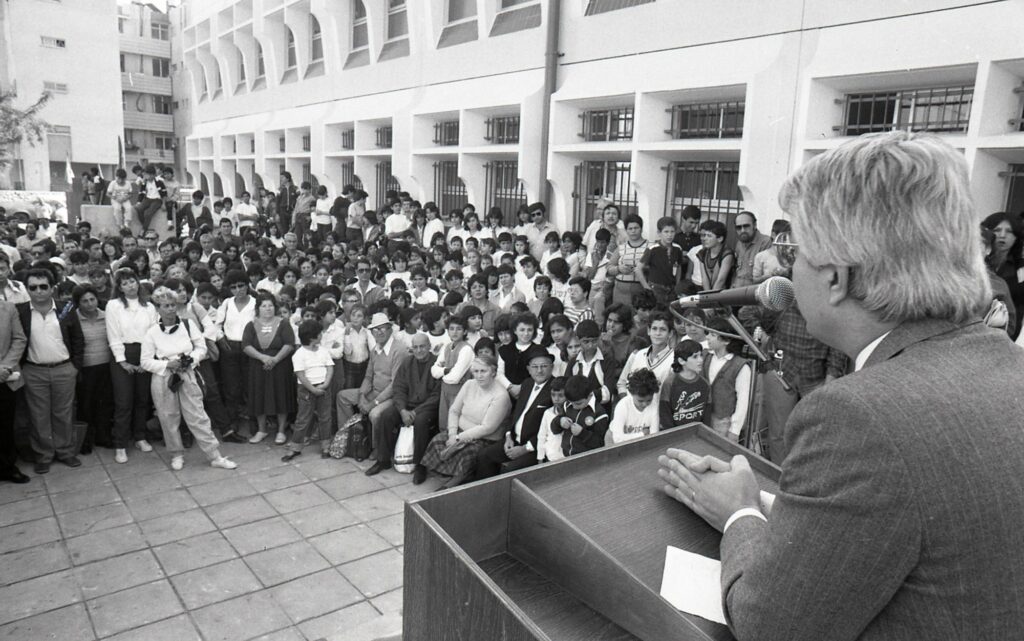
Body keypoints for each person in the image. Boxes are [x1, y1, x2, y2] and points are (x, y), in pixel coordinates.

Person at [658, 131, 1024, 640]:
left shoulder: (858, 417)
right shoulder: (1007, 364)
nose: (788, 270)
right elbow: (913, 517)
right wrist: (771, 504)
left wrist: (739, 514)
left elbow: (771, 626)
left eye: (796, 252)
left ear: (837, 278)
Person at [140, 287, 237, 471]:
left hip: (187, 373)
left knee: (197, 416)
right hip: (164, 378)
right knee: (168, 417)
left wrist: (190, 360)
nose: (170, 309)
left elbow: (201, 347)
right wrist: (167, 365)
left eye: (172, 305)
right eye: (165, 306)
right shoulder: (152, 332)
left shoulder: (187, 324)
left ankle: (214, 455)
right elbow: (145, 361)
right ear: (158, 308)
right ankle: (176, 454)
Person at [17, 268, 85, 474]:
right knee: (39, 415)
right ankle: (43, 455)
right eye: (33, 287)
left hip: (64, 369)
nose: (38, 291)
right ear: (27, 289)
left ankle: (65, 451)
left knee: (63, 413)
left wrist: (75, 366)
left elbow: (78, 339)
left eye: (43, 286)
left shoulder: (65, 308)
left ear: (52, 288)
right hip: (34, 371)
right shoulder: (20, 311)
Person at [421, 354, 511, 488]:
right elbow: (454, 410)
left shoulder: (501, 396)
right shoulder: (469, 384)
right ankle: (446, 474)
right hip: (459, 431)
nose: (479, 375)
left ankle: (451, 485)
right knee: (437, 441)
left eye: (483, 371)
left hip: (483, 438)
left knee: (465, 455)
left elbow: (487, 428)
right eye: (476, 371)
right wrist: (452, 433)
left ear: (493, 372)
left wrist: (458, 438)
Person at [366, 333, 441, 482]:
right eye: (415, 347)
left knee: (420, 422)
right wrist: (402, 410)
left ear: (429, 347)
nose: (419, 350)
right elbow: (398, 388)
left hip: (427, 408)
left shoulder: (437, 364)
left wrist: (415, 412)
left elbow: (436, 395)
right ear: (412, 348)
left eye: (422, 347)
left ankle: (420, 465)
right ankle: (383, 459)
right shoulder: (407, 362)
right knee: (386, 416)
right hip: (406, 405)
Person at [474, 344, 554, 480]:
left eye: (544, 366)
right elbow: (516, 413)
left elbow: (551, 429)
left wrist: (525, 448)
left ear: (551, 367)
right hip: (514, 440)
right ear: (528, 369)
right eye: (535, 367)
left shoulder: (555, 389)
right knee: (484, 455)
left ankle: (501, 492)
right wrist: (508, 436)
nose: (539, 370)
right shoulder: (527, 384)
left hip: (535, 447)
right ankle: (485, 490)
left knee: (509, 470)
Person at [106, 267, 158, 462]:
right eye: (125, 283)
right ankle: (120, 444)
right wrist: (123, 361)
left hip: (144, 353)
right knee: (124, 401)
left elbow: (153, 334)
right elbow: (113, 334)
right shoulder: (113, 305)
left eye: (132, 281)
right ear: (119, 287)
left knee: (142, 399)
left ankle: (140, 436)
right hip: (122, 354)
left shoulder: (149, 306)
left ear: (138, 282)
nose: (130, 286)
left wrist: (147, 360)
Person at [335, 312, 404, 453]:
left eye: (383, 328)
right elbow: (368, 376)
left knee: (374, 414)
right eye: (375, 329)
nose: (379, 332)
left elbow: (395, 385)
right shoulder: (375, 350)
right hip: (374, 391)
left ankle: (376, 449)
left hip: (391, 396)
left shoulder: (399, 350)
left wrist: (372, 404)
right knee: (342, 396)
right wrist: (361, 396)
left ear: (390, 329)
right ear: (371, 332)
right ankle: (349, 437)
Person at [242, 292, 296, 444]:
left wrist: (275, 359)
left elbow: (289, 344)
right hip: (258, 366)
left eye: (270, 305)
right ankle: (261, 430)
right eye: (264, 306)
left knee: (281, 396)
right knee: (259, 397)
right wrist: (263, 357)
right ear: (258, 309)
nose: (267, 308)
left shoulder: (283, 323)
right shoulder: (251, 325)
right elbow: (246, 345)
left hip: (280, 366)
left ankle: (281, 431)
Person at [281, 319, 335, 462]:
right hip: (306, 390)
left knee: (325, 417)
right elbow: (301, 375)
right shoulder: (299, 354)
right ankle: (295, 448)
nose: (321, 335)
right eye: (319, 333)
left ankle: (326, 446)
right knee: (303, 419)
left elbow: (330, 368)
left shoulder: (323, 351)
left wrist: (325, 384)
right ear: (312, 338)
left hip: (323, 388)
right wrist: (313, 389)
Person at [213, 270, 256, 439]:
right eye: (233, 287)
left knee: (251, 385)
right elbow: (217, 325)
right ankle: (233, 421)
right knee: (231, 387)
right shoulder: (226, 303)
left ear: (247, 285)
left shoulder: (256, 302)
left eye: (241, 285)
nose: (238, 290)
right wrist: (221, 338)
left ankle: (254, 421)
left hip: (250, 348)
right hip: (230, 348)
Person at [73, 284, 114, 455]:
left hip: (106, 366)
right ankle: (86, 440)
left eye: (92, 299)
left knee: (105, 403)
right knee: (86, 405)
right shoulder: (73, 319)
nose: (90, 304)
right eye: (85, 301)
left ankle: (103, 436)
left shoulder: (107, 316)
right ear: (78, 303)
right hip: (85, 368)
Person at [701, 316, 751, 442]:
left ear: (726, 340)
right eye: (708, 333)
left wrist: (735, 430)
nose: (707, 337)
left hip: (724, 422)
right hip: (703, 417)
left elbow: (743, 400)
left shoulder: (740, 366)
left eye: (712, 335)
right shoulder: (705, 356)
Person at [0, 300, 27, 483]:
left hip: (5, 377)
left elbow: (19, 339)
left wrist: (6, 367)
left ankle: (7, 467)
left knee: (5, 425)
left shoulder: (8, 308)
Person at [549, 375, 608, 457]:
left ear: (590, 395)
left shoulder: (599, 413)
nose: (574, 407)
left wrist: (582, 433)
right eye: (571, 402)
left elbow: (600, 443)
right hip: (565, 455)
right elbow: (554, 430)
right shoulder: (567, 405)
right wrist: (559, 421)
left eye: (578, 403)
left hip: (587, 458)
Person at [637, 216, 689, 305]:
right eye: (666, 232)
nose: (669, 235)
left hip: (672, 288)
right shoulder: (652, 249)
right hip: (656, 288)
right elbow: (638, 269)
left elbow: (679, 267)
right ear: (659, 233)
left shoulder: (677, 249)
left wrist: (677, 284)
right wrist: (647, 287)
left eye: (672, 231)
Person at [658, 339, 708, 430]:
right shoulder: (670, 383)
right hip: (675, 435)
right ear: (681, 361)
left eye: (701, 355)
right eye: (695, 357)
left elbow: (707, 415)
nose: (700, 360)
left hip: (696, 434)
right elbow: (665, 414)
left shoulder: (704, 384)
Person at [608, 367, 661, 444]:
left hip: (638, 440)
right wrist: (642, 434)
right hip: (612, 440)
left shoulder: (654, 405)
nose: (645, 404)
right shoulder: (622, 406)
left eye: (649, 400)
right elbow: (617, 439)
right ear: (631, 393)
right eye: (640, 401)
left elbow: (654, 436)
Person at [607, 214, 649, 308]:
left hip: (641, 290)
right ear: (626, 230)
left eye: (636, 228)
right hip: (620, 291)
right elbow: (609, 268)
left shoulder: (650, 247)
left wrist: (643, 269)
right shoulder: (621, 248)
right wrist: (619, 269)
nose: (633, 231)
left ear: (641, 229)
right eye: (630, 228)